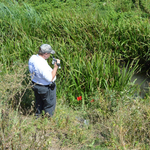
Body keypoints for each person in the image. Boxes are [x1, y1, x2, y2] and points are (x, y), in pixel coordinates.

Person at [28, 44, 60, 118]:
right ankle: (47, 119)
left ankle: (37, 116)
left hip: (35, 84)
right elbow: (50, 78)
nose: (49, 55)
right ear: (45, 54)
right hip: (45, 88)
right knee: (49, 104)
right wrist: (56, 67)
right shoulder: (41, 64)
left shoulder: (33, 58)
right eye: (49, 53)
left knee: (39, 102)